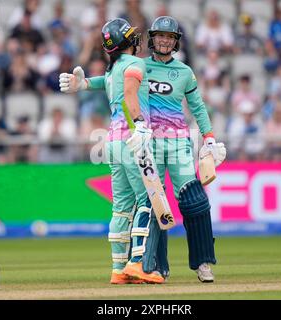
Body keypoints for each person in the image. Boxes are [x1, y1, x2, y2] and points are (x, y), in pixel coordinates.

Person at [67, 16, 227, 283]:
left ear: (176, 42)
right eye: (161, 36)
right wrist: (84, 84)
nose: (165, 40)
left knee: (195, 202)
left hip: (178, 144)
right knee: (154, 202)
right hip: (146, 143)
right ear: (152, 39)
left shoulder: (185, 72)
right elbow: (112, 80)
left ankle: (202, 263)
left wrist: (209, 139)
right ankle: (151, 266)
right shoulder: (139, 64)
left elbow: (198, 107)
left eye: (170, 37)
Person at [59, 18, 164, 284]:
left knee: (121, 208)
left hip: (113, 143)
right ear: (127, 42)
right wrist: (140, 126)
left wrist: (82, 84)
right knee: (148, 200)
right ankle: (137, 263)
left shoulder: (113, 68)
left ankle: (118, 269)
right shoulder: (135, 64)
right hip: (132, 139)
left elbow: (104, 82)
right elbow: (130, 94)